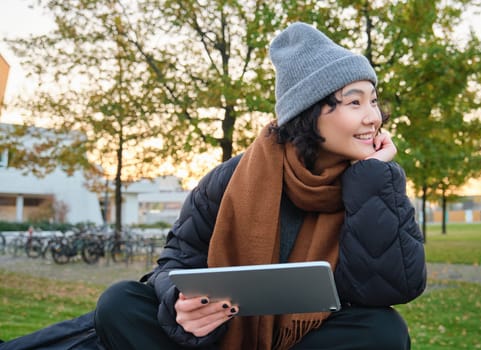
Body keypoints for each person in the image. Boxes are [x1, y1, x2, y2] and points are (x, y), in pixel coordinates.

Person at [0, 21, 426, 350]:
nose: (374, 117)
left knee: (384, 330)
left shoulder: (375, 180)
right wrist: (180, 305)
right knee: (120, 303)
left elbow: (391, 288)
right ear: (311, 112)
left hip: (309, 338)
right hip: (220, 336)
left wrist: (373, 179)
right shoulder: (231, 178)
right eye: (355, 102)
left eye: (373, 100)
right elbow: (176, 259)